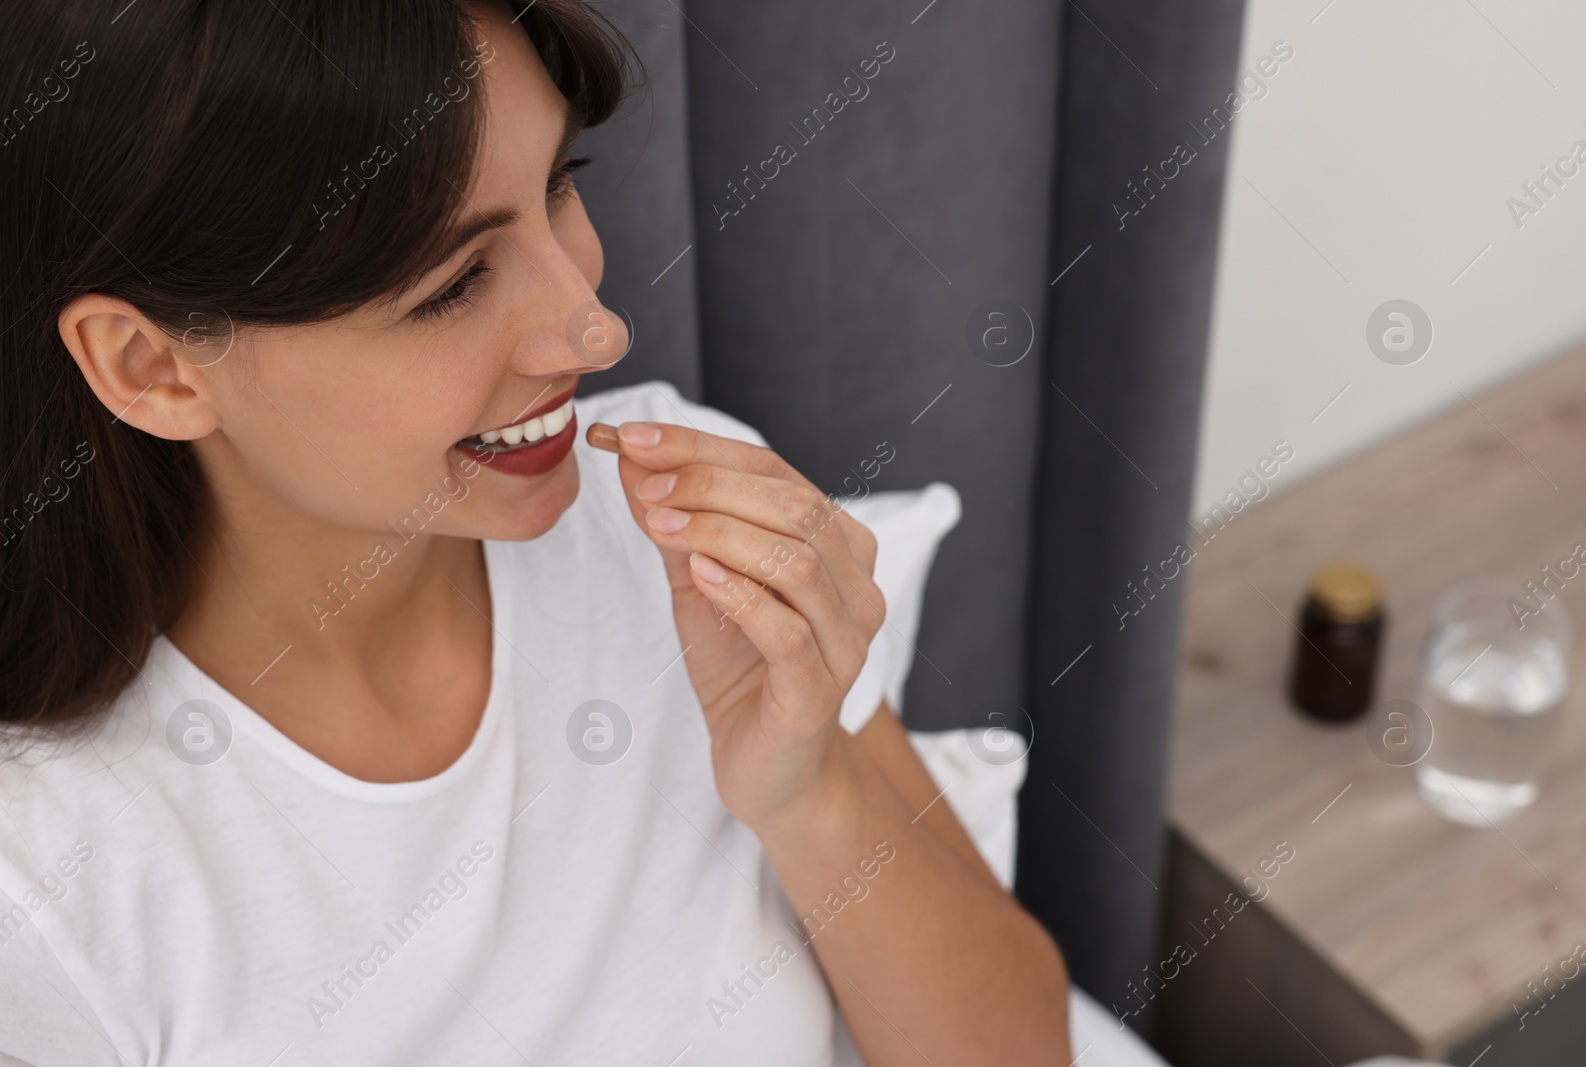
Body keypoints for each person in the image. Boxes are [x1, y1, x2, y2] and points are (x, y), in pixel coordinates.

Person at [0, 2, 1071, 1063]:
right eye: (453, 284)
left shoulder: (674, 529)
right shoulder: (47, 877)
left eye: (560, 187)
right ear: (154, 367)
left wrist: (810, 791)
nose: (593, 327)